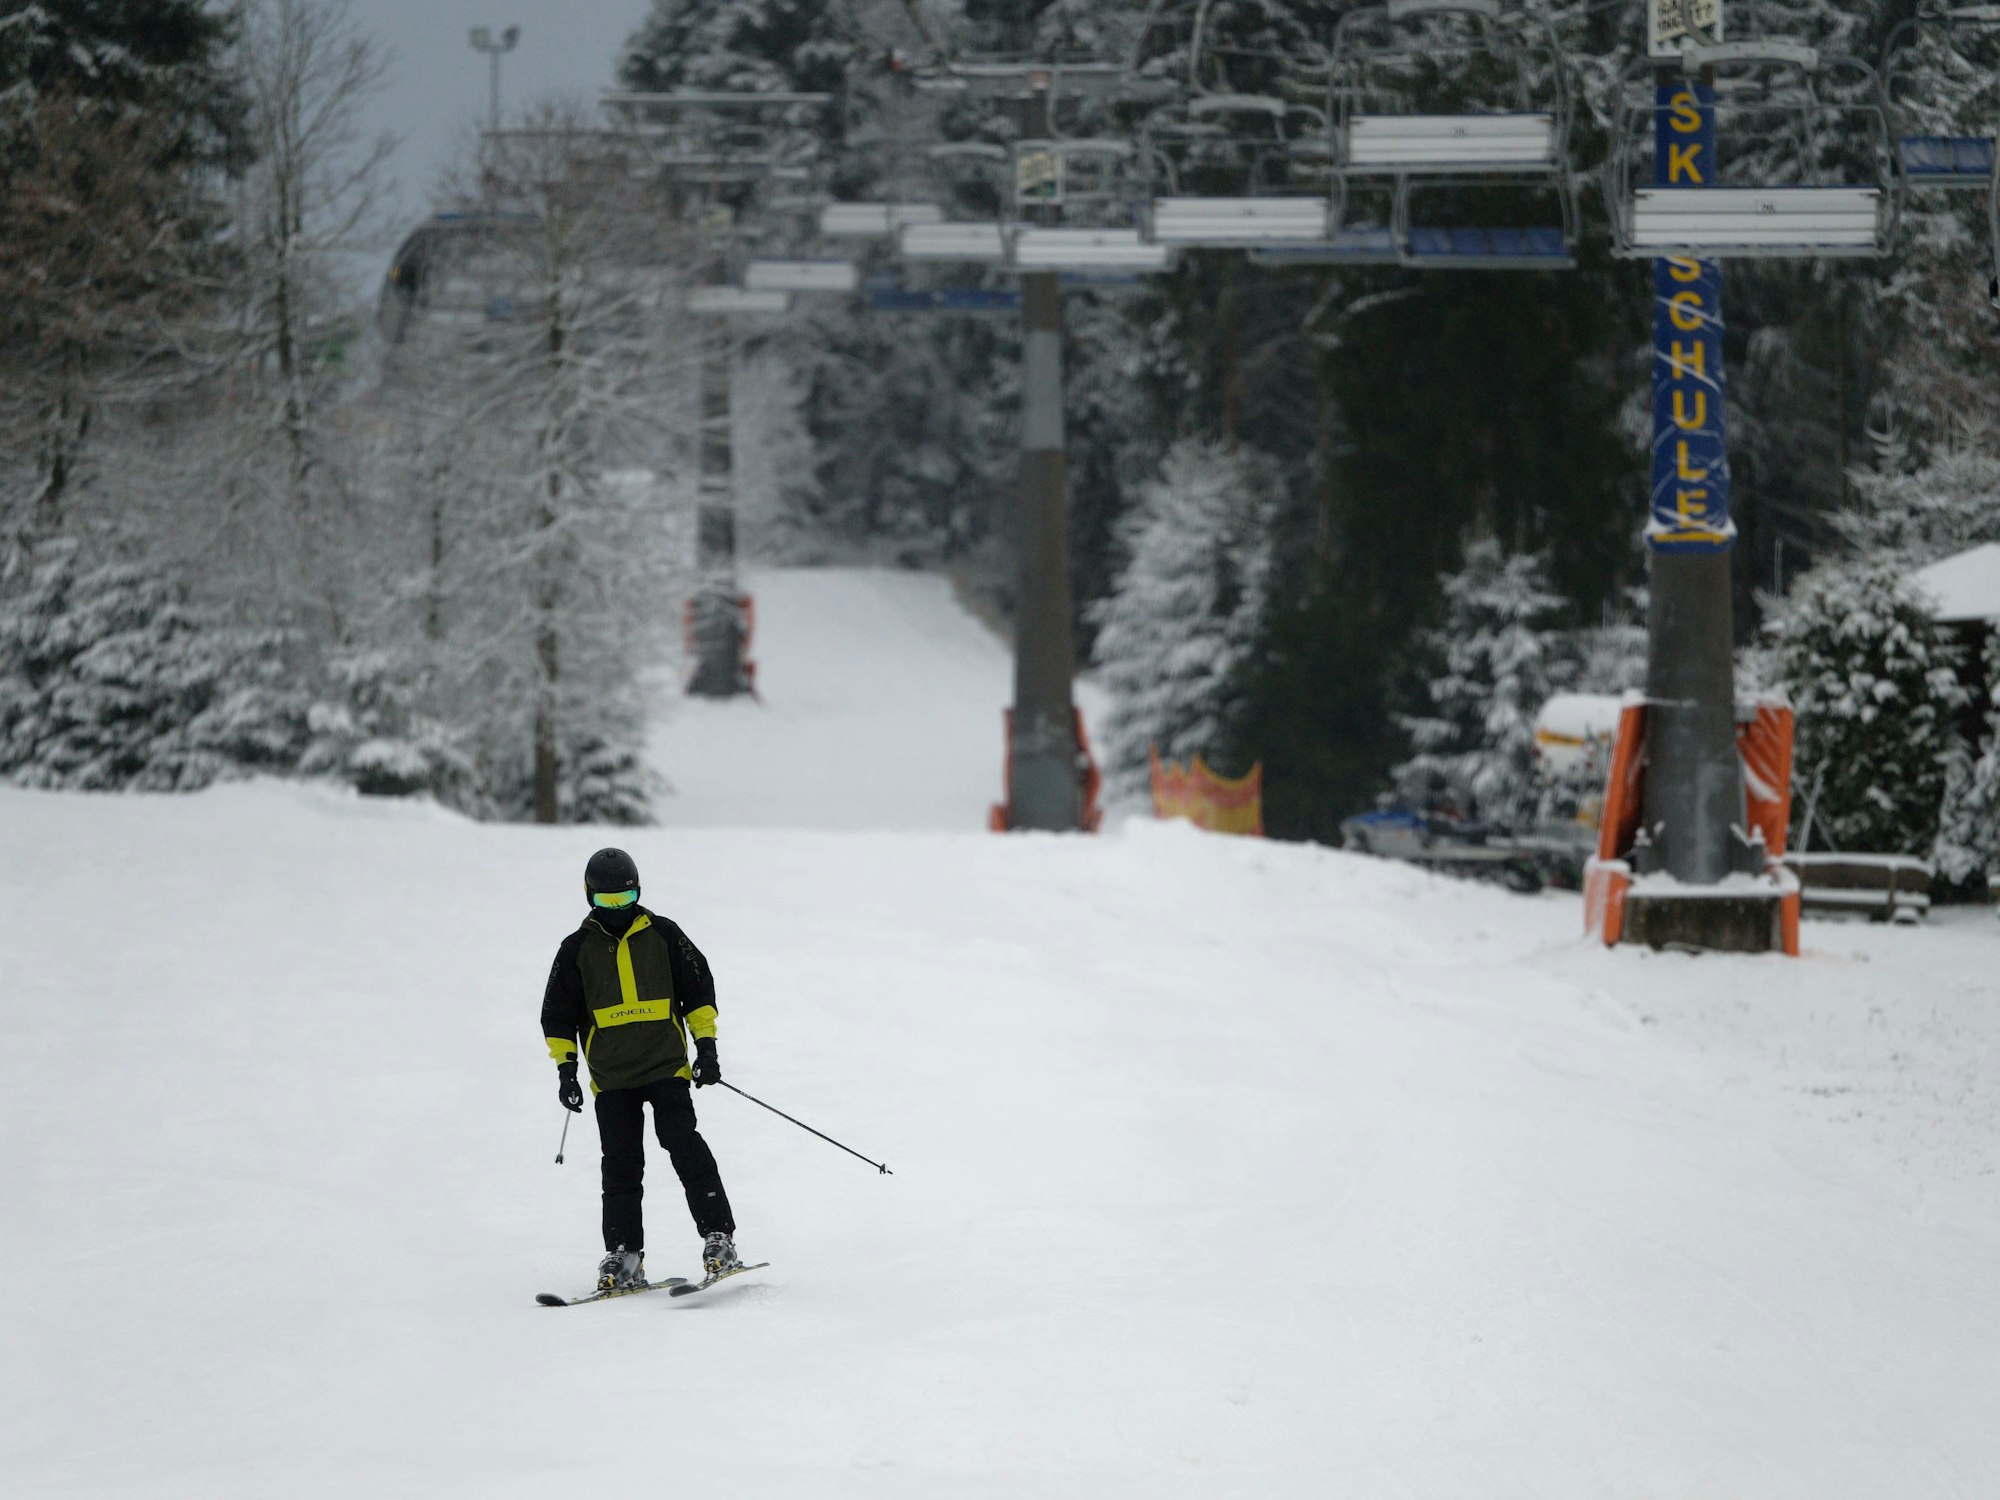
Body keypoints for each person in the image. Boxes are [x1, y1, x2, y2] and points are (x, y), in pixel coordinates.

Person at [540, 847, 741, 1290]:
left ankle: (718, 1238)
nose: (617, 909)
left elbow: (698, 990)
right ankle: (624, 1254)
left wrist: (706, 1048)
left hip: (666, 1065)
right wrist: (566, 1071)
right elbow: (557, 1015)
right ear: (589, 897)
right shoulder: (576, 949)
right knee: (621, 1165)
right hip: (612, 1078)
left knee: (683, 1145)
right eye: (606, 902)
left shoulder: (665, 935)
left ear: (638, 891)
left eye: (625, 898)